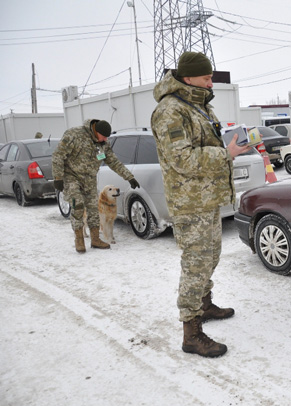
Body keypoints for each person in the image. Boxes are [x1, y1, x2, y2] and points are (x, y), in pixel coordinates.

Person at [151, 51, 249, 358]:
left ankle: (204, 305)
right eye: (206, 77)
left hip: (205, 198)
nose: (211, 82)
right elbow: (183, 159)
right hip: (189, 202)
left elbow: (205, 145)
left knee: (209, 257)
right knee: (196, 265)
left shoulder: (197, 105)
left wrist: (228, 144)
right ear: (189, 77)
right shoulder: (170, 111)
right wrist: (227, 154)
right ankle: (191, 333)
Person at [52, 119, 139, 253]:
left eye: (106, 137)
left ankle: (95, 239)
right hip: (72, 177)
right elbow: (58, 155)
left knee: (93, 208)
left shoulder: (103, 143)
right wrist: (58, 177)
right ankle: (79, 240)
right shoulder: (74, 135)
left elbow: (113, 161)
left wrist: (129, 177)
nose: (105, 139)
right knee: (78, 205)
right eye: (103, 136)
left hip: (90, 179)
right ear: (95, 131)